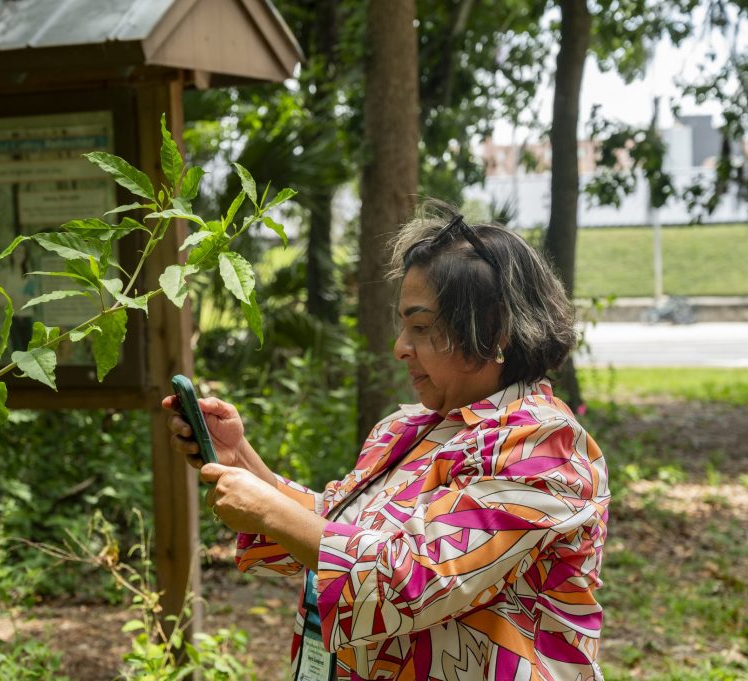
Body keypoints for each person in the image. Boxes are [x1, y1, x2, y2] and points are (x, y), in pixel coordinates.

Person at [163, 201, 610, 681]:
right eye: (404, 325)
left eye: (420, 327)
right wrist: (241, 461)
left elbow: (417, 577)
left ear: (494, 329)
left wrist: (267, 509)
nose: (400, 346)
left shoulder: (545, 448)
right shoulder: (408, 429)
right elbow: (331, 526)